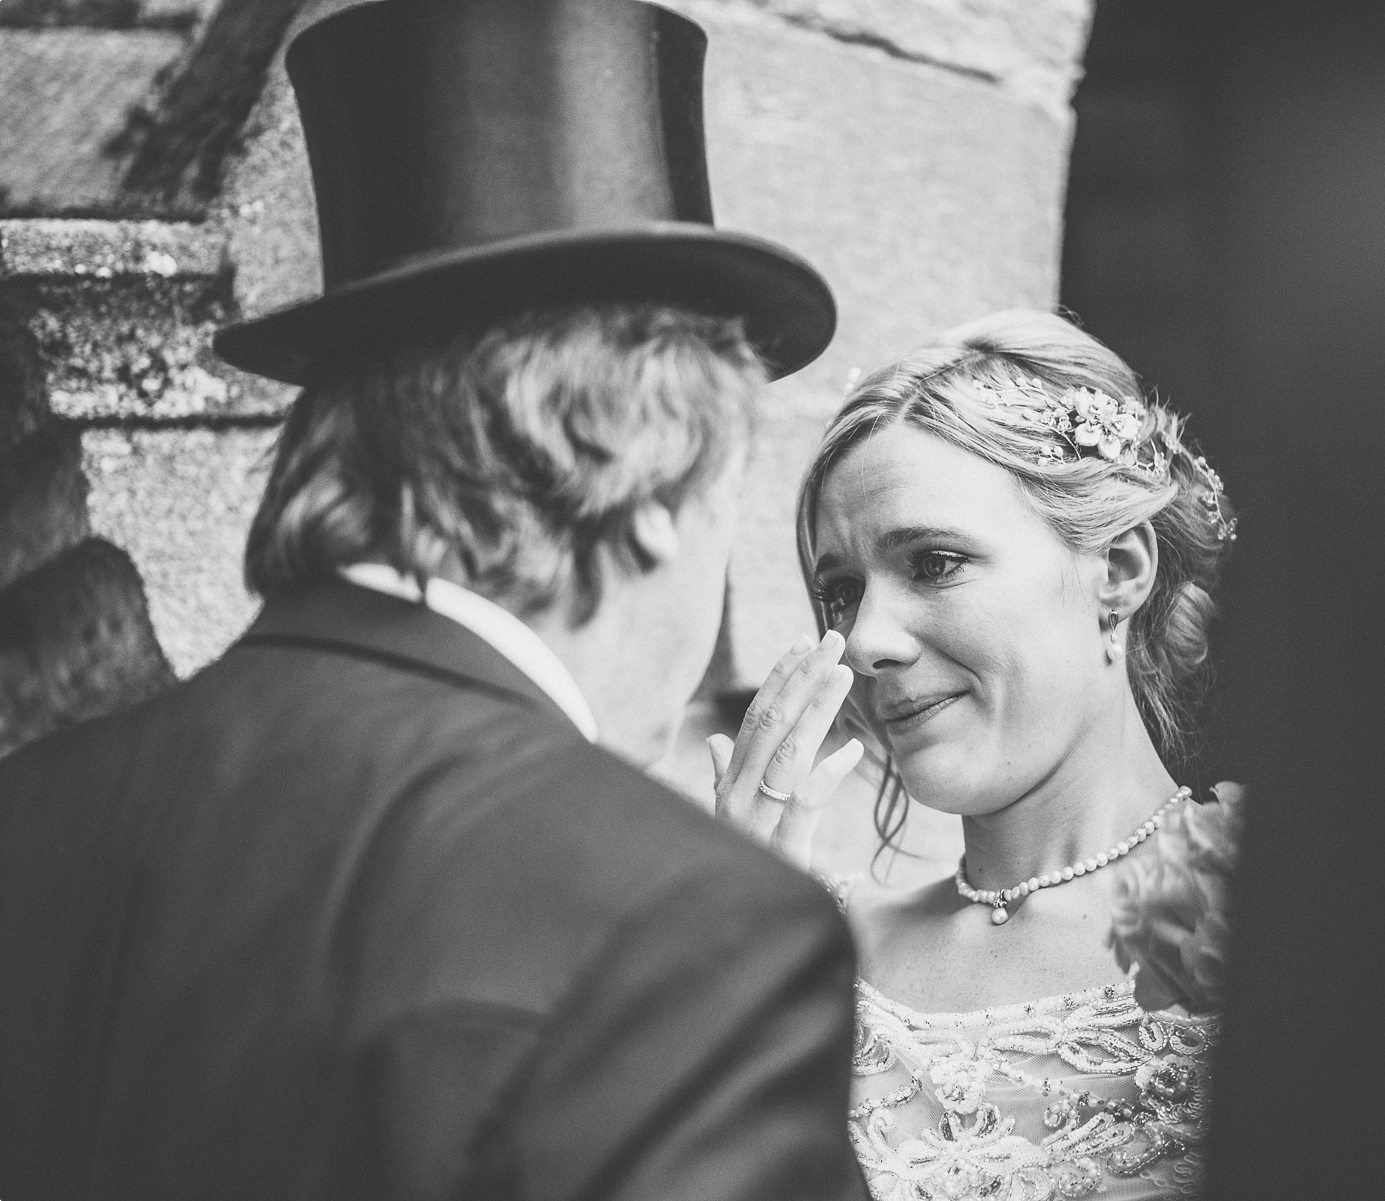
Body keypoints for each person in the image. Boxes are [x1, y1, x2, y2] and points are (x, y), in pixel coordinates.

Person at [0, 2, 869, 1199]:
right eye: (736, 489)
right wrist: (666, 886)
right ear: (655, 478)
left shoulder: (33, 802)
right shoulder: (687, 929)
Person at [709, 309, 1241, 1199]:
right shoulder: (810, 952)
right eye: (841, 591)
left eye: (935, 562)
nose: (867, 638)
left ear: (1117, 571)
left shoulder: (1286, 902)